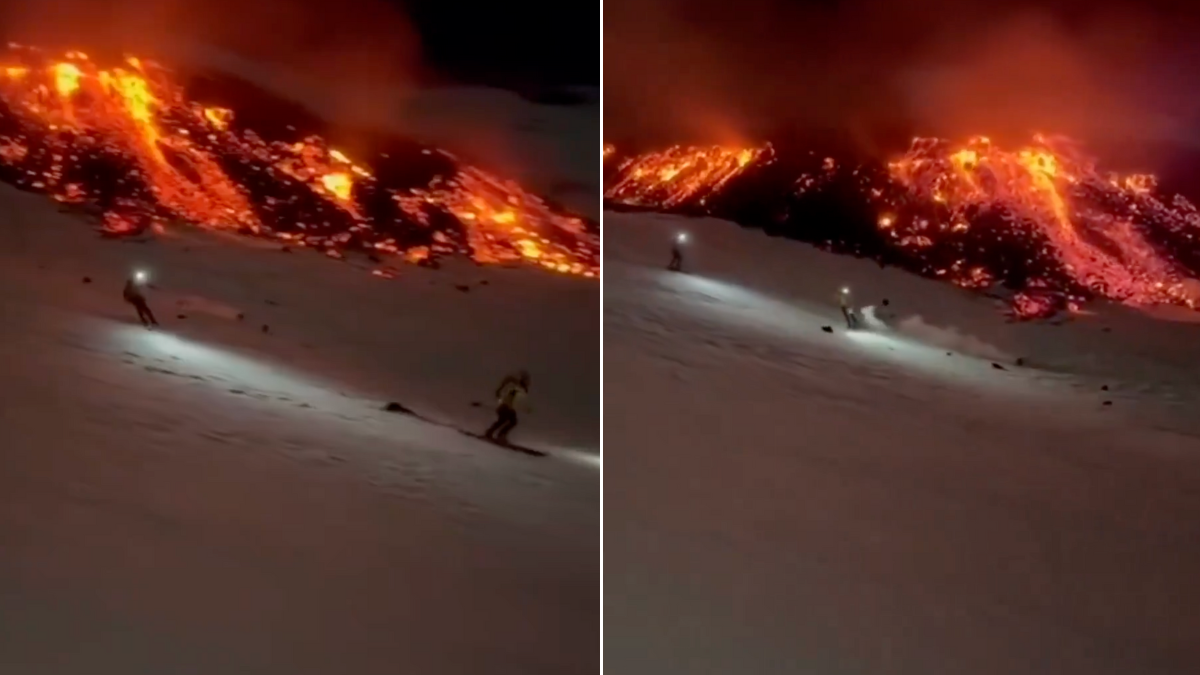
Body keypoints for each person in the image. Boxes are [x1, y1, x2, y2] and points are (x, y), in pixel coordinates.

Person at [485, 370, 530, 444]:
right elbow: (511, 395)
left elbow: (518, 400)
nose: (528, 383)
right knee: (505, 420)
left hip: (509, 407)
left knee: (508, 421)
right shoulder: (516, 386)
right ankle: (497, 435)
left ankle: (495, 434)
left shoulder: (521, 388)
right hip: (506, 406)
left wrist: (525, 408)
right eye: (526, 380)